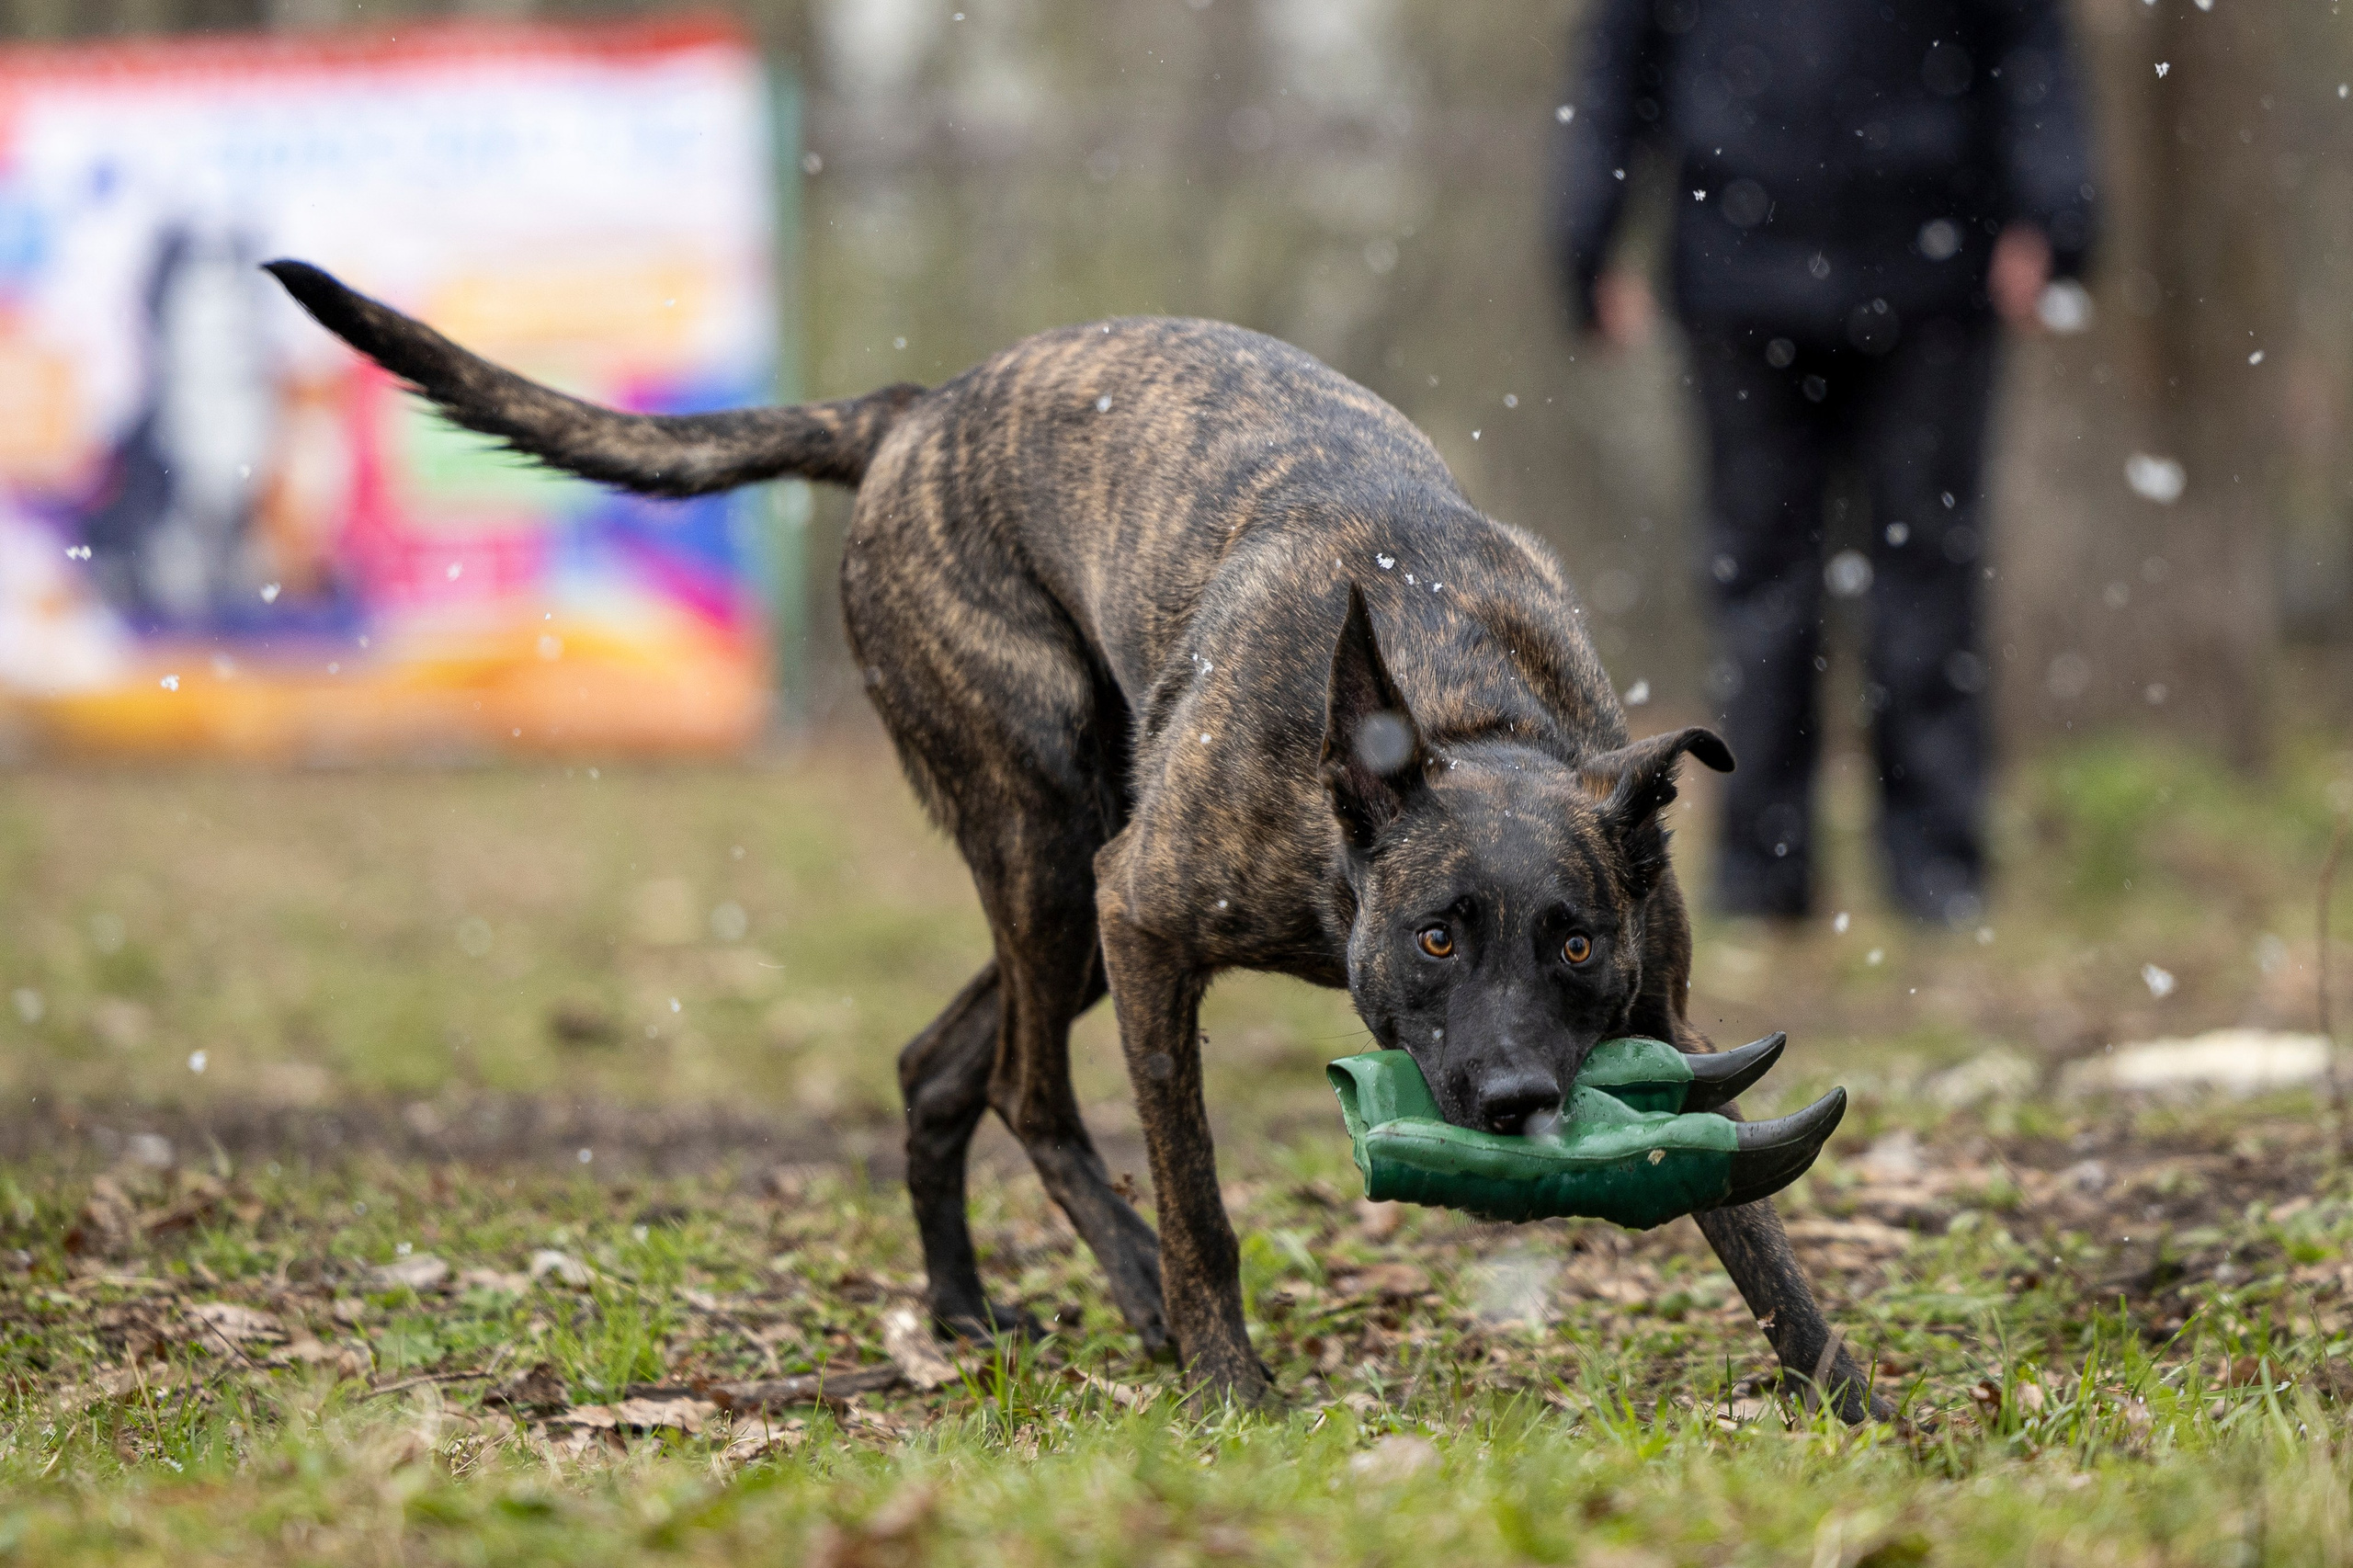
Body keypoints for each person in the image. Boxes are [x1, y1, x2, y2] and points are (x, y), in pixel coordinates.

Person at [1548, 0, 2097, 926]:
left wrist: (2057, 214)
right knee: (1763, 586)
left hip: (1931, 273)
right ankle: (1763, 874)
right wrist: (1585, 237)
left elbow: (2027, 40)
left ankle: (1937, 872)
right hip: (1738, 274)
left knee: (1924, 575)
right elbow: (1619, 56)